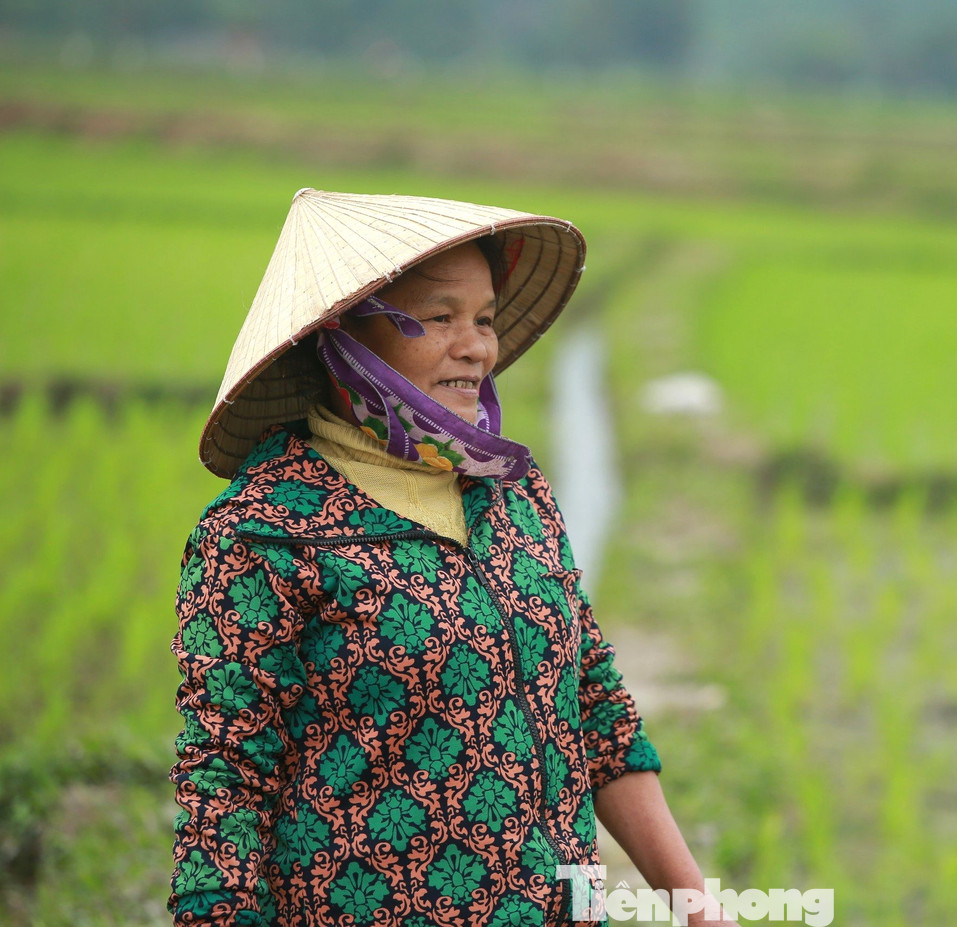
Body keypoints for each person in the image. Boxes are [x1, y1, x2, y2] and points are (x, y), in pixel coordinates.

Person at [168, 189, 735, 926]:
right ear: (341, 334)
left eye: (486, 320)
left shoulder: (512, 493)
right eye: (439, 318)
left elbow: (595, 711)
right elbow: (224, 787)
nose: (478, 347)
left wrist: (693, 902)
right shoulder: (264, 535)